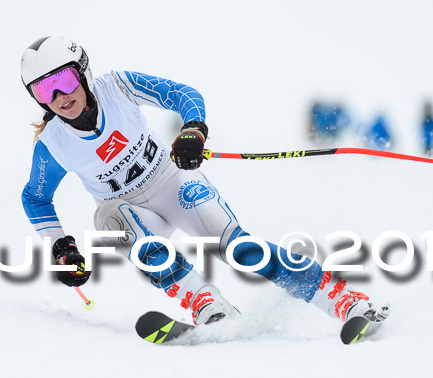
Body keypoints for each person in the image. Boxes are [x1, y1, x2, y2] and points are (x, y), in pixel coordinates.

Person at [20, 36, 390, 339]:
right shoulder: (53, 143)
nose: (59, 97)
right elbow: (36, 197)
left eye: (64, 81)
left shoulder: (117, 86)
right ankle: (209, 305)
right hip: (130, 210)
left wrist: (193, 128)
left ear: (82, 73)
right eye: (44, 91)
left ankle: (343, 299)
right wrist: (59, 246)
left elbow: (183, 94)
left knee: (240, 249)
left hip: (171, 180)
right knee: (111, 221)